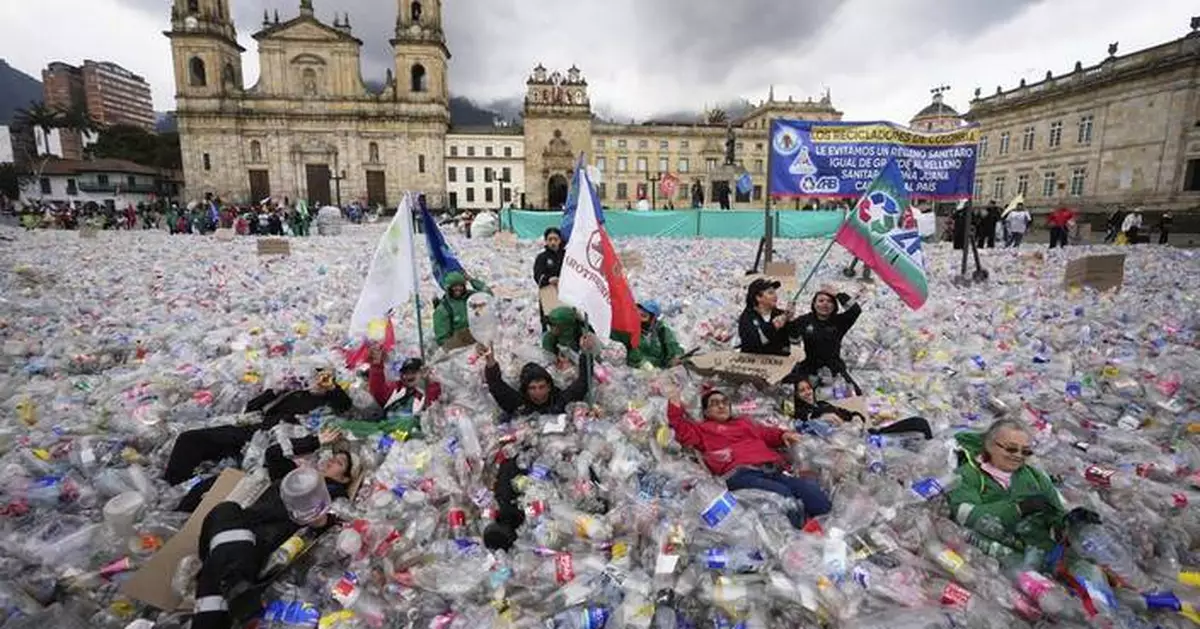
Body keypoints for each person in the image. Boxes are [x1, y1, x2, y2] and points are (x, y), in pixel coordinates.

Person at [191, 428, 355, 629]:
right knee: (226, 510)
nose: (330, 461)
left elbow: (334, 523)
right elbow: (273, 453)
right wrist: (315, 441)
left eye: (339, 463)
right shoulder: (292, 476)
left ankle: (224, 598)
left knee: (224, 552)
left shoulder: (334, 493)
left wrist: (319, 519)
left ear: (345, 478)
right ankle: (235, 589)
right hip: (238, 528)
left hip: (262, 543)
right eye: (332, 457)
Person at [666, 388, 830, 529]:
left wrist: (783, 434)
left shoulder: (744, 423)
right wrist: (674, 403)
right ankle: (798, 542)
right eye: (715, 403)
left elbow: (766, 433)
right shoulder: (702, 430)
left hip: (772, 469)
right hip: (741, 474)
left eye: (724, 402)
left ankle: (833, 531)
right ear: (706, 412)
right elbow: (681, 429)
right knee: (784, 498)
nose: (721, 405)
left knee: (811, 491)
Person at [162, 368, 353, 487]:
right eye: (315, 376)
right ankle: (173, 484)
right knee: (189, 439)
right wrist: (274, 391)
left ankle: (187, 498)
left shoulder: (327, 406)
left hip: (273, 448)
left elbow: (346, 406)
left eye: (323, 378)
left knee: (224, 478)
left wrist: (332, 388)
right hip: (252, 431)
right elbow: (251, 409)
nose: (317, 381)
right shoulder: (295, 391)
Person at [947, 419, 1089, 554]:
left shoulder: (1036, 478)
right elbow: (964, 515)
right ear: (989, 445)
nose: (1018, 456)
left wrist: (1070, 523)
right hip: (994, 556)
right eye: (1011, 449)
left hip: (1037, 554)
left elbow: (1057, 515)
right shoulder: (967, 475)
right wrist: (1017, 509)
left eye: (1025, 451)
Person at [791, 379, 932, 439]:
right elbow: (812, 424)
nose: (808, 392)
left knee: (919, 423)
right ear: (796, 395)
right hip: (861, 442)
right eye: (802, 391)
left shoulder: (822, 404)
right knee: (919, 425)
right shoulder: (804, 414)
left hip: (866, 432)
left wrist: (856, 418)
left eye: (808, 388)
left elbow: (853, 414)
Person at [786, 285, 863, 395]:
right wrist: (790, 320)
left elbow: (855, 310)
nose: (825, 304)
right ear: (814, 304)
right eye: (821, 301)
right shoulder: (805, 320)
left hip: (834, 368)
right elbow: (794, 341)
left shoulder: (839, 321)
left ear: (834, 306)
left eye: (829, 301)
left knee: (856, 395)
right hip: (809, 367)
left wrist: (838, 294)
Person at [481, 345, 591, 418]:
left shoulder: (560, 400)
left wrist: (586, 353)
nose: (538, 392)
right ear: (526, 390)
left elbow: (583, 383)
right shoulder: (519, 403)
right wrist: (490, 362)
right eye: (532, 388)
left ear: (549, 387)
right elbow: (496, 385)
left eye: (541, 387)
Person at [366, 349, 442, 439]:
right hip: (383, 429)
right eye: (405, 373)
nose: (408, 376)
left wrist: (430, 382)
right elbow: (377, 392)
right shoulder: (396, 388)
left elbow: (432, 406)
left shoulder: (428, 390)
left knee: (410, 422)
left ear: (422, 373)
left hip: (407, 434)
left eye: (413, 372)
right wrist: (376, 365)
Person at [432, 271, 491, 347]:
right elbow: (442, 339)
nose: (458, 289)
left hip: (480, 335)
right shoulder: (444, 309)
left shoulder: (470, 297)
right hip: (460, 344)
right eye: (454, 286)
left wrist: (472, 280)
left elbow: (488, 294)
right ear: (448, 287)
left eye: (460, 285)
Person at [621, 301, 685, 369]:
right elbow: (630, 353)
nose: (639, 318)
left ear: (653, 319)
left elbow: (672, 344)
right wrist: (642, 363)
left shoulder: (661, 329)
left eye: (644, 315)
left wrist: (676, 356)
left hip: (661, 368)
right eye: (638, 313)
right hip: (636, 369)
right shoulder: (628, 329)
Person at [738, 279, 794, 356]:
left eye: (775, 292)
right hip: (754, 365)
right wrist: (773, 326)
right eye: (770, 293)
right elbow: (754, 343)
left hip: (778, 364)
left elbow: (794, 340)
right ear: (758, 297)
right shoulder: (747, 317)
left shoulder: (781, 314)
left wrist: (791, 321)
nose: (775, 296)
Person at [533, 227, 564, 330]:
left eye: (555, 239)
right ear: (546, 241)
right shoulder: (542, 257)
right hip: (548, 292)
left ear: (560, 240)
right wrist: (548, 280)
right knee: (549, 320)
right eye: (550, 239)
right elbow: (537, 275)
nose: (553, 242)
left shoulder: (566, 256)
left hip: (564, 291)